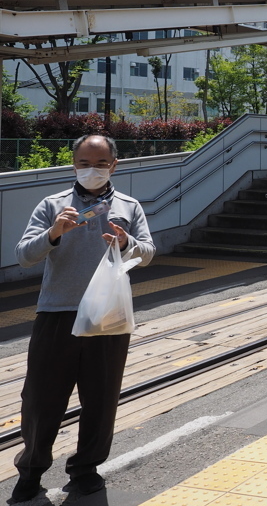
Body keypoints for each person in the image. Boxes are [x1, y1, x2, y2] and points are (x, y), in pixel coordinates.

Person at [9, 134, 155, 503]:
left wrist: (126, 243)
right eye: (85, 162)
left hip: (109, 317)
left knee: (101, 397)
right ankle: (32, 469)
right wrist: (54, 232)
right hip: (57, 312)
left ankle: (86, 467)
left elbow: (149, 252)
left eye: (101, 163)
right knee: (41, 398)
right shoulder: (53, 204)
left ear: (114, 165)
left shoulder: (129, 205)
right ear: (73, 163)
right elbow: (24, 255)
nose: (92, 169)